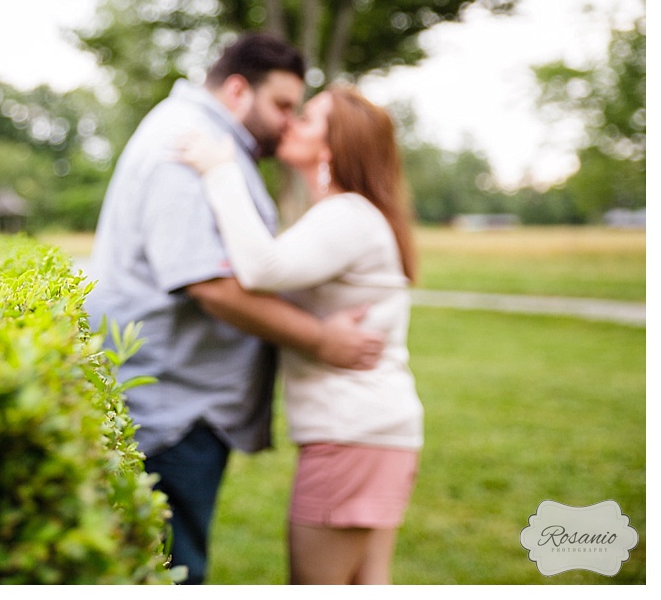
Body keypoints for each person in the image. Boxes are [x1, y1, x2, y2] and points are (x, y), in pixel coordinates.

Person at [84, 34, 387, 585]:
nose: (287, 122)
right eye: (281, 106)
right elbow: (209, 284)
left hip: (183, 400)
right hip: (171, 412)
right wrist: (321, 339)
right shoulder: (185, 143)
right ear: (238, 90)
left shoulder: (207, 141)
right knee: (169, 573)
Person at [176, 85, 423, 584]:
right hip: (378, 433)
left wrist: (220, 171)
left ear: (332, 147)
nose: (291, 124)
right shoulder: (353, 216)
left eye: (307, 119)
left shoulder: (346, 215)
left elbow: (261, 268)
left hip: (351, 435)